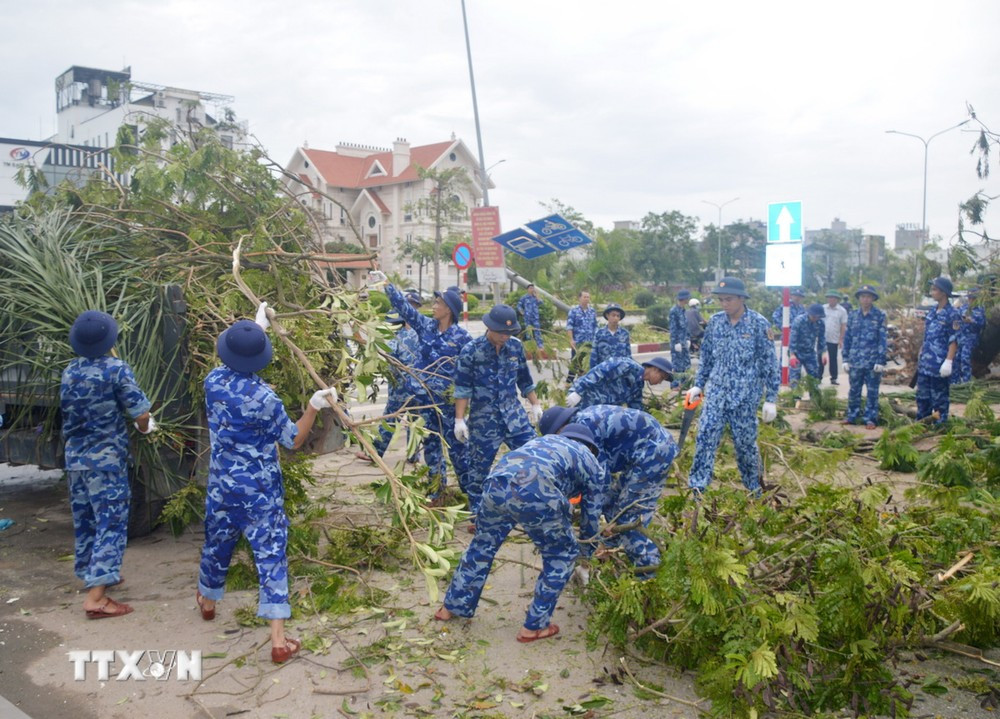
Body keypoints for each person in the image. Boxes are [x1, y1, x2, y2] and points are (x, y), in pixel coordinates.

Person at [196, 316, 336, 664]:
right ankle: (278, 639)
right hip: (260, 491)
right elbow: (293, 439)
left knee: (217, 543)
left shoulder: (212, 382)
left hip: (222, 486)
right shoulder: (265, 397)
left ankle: (208, 602)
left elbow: (227, 361)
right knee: (271, 556)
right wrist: (313, 406)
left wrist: (255, 330)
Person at [433, 426, 607, 643]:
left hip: (496, 483)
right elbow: (591, 517)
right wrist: (586, 553)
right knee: (560, 555)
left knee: (482, 545)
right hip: (536, 490)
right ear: (590, 446)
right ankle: (534, 627)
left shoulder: (544, 442)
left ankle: (451, 607)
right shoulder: (591, 461)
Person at [61, 310, 156, 620]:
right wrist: (146, 427)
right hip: (106, 460)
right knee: (112, 522)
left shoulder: (70, 371)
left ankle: (94, 573)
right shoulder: (116, 370)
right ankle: (96, 598)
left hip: (76, 460)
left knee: (86, 519)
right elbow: (140, 413)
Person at [540, 405, 677, 572]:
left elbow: (596, 490)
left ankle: (648, 575)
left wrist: (586, 552)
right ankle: (607, 550)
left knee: (630, 520)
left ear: (559, 429)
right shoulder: (582, 422)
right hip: (641, 453)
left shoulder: (583, 431)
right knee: (611, 505)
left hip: (654, 452)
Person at [373, 271, 471, 498]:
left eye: (438, 303)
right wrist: (387, 284)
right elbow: (404, 308)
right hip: (425, 403)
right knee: (432, 449)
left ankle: (473, 498)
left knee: (459, 453)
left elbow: (469, 376)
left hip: (448, 405)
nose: (433, 306)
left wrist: (461, 415)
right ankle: (437, 492)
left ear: (448, 310)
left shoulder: (463, 339)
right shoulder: (426, 327)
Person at [687, 277, 779, 495]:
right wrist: (698, 385)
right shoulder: (716, 323)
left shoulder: (758, 324)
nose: (724, 304)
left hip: (745, 398)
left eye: (728, 299)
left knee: (746, 446)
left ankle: (755, 488)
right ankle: (698, 488)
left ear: (741, 298)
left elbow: (770, 363)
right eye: (721, 300)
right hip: (717, 394)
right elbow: (706, 358)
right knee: (705, 438)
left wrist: (771, 398)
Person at [453, 305, 543, 519]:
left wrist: (536, 405)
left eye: (509, 333)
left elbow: (525, 380)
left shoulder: (515, 348)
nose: (505, 337)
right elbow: (463, 388)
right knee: (478, 470)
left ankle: (529, 503)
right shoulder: (471, 351)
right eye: (501, 332)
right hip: (485, 420)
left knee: (533, 456)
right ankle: (478, 512)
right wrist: (459, 420)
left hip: (514, 417)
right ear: (489, 327)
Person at [364, 307, 421, 461]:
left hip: (400, 388)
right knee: (414, 420)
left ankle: (375, 453)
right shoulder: (414, 335)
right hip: (419, 386)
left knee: (390, 419)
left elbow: (389, 361)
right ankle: (413, 455)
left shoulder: (394, 339)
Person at [915, 276, 961, 423]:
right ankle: (922, 424)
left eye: (934, 289)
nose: (932, 292)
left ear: (943, 292)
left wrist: (948, 361)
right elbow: (927, 335)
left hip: (939, 364)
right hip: (925, 363)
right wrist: (921, 351)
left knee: (939, 399)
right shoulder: (932, 311)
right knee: (922, 397)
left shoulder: (952, 314)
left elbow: (954, 340)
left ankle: (939, 427)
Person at [842, 284, 887, 429]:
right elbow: (847, 338)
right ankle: (852, 415)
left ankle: (870, 418)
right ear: (859, 299)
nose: (865, 299)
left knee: (872, 391)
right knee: (854, 390)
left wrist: (881, 360)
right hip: (855, 360)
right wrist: (845, 359)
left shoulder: (879, 316)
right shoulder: (853, 315)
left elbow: (882, 339)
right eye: (862, 296)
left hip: (872, 361)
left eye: (868, 296)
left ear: (873, 298)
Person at [567, 356, 672, 411]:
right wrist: (578, 391)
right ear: (655, 369)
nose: (660, 382)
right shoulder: (627, 366)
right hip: (582, 398)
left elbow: (636, 409)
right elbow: (598, 372)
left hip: (596, 410)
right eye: (661, 377)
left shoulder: (638, 386)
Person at [788, 303, 826, 387]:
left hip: (810, 352)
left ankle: (814, 397)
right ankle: (796, 398)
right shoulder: (799, 321)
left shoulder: (820, 323)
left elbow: (822, 338)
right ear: (809, 314)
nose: (815, 319)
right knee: (795, 377)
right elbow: (793, 337)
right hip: (797, 352)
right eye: (814, 317)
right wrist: (792, 354)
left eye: (818, 317)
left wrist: (823, 353)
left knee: (814, 375)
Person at [954, 288, 986, 384]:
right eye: (969, 298)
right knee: (956, 359)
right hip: (960, 337)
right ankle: (955, 383)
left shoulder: (980, 310)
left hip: (971, 338)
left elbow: (982, 325)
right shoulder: (963, 308)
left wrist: (972, 321)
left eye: (973, 298)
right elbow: (957, 319)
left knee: (965, 358)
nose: (970, 300)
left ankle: (966, 382)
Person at [565, 290, 597, 382]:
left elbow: (595, 326)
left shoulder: (592, 311)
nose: (587, 299)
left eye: (588, 297)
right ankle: (568, 383)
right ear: (579, 298)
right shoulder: (574, 311)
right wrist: (571, 340)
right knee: (575, 364)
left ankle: (581, 384)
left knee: (586, 365)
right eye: (585, 297)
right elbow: (569, 327)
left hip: (589, 344)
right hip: (578, 343)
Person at [589, 303, 631, 369]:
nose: (616, 318)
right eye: (613, 315)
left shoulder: (624, 334)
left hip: (620, 373)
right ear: (607, 315)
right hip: (604, 373)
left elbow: (628, 356)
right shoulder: (599, 334)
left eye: (618, 316)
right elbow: (594, 355)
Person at [821, 290, 848, 385]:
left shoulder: (842, 311)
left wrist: (841, 339)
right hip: (822, 338)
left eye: (833, 298)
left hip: (834, 338)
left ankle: (834, 378)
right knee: (820, 358)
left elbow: (843, 325)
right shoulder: (823, 308)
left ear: (837, 299)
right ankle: (818, 377)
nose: (831, 299)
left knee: (833, 358)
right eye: (830, 297)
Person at [669, 290, 691, 388]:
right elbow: (673, 328)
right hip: (677, 342)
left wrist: (688, 338)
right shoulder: (674, 311)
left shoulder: (683, 310)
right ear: (683, 299)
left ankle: (685, 385)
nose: (688, 300)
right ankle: (675, 385)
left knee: (686, 364)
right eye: (687, 298)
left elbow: (686, 327)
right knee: (677, 365)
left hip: (684, 341)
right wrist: (676, 342)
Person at [516, 283, 544, 349]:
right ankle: (530, 344)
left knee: (537, 330)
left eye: (533, 288)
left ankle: (539, 345)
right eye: (530, 288)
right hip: (527, 317)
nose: (532, 289)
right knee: (529, 331)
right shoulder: (524, 297)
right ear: (527, 289)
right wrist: (522, 312)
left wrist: (537, 295)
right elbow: (519, 305)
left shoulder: (535, 297)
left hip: (535, 317)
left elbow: (541, 303)